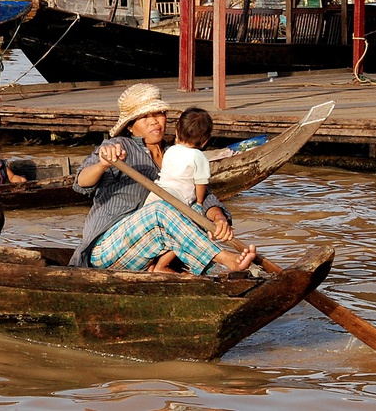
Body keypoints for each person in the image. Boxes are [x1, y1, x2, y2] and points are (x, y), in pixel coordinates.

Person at [68, 83, 256, 274]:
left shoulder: (177, 152)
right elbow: (81, 183)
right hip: (108, 249)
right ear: (131, 127)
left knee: (194, 210)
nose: (154, 122)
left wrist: (219, 218)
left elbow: (204, 196)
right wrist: (103, 164)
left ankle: (168, 269)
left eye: (158, 114)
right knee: (161, 208)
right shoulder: (117, 147)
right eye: (144, 117)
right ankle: (226, 259)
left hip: (150, 250)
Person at [145, 106, 214, 273]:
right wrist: (198, 204)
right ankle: (161, 266)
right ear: (205, 141)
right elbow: (200, 183)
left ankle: (150, 264)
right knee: (188, 232)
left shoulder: (171, 151)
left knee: (157, 232)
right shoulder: (199, 157)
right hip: (178, 200)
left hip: (156, 195)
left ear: (176, 132)